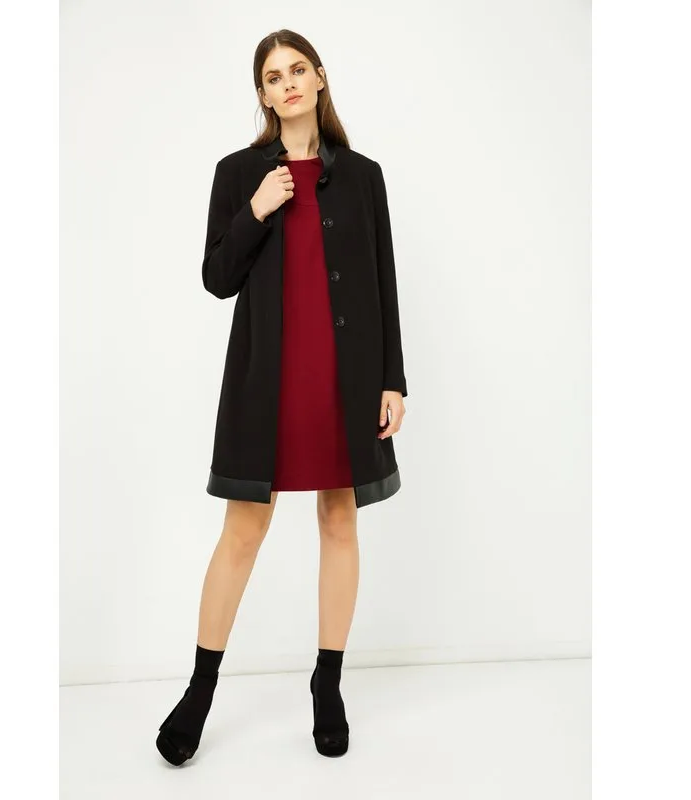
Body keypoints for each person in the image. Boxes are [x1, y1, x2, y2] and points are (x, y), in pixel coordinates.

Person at [156, 29, 408, 766]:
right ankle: (199, 690)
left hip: (345, 378)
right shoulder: (238, 173)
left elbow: (384, 280)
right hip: (267, 378)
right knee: (244, 529)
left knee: (338, 519)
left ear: (320, 78)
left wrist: (393, 378)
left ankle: (327, 685)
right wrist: (257, 209)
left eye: (298, 69)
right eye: (273, 76)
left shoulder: (363, 177)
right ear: (263, 94)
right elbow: (217, 278)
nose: (288, 82)